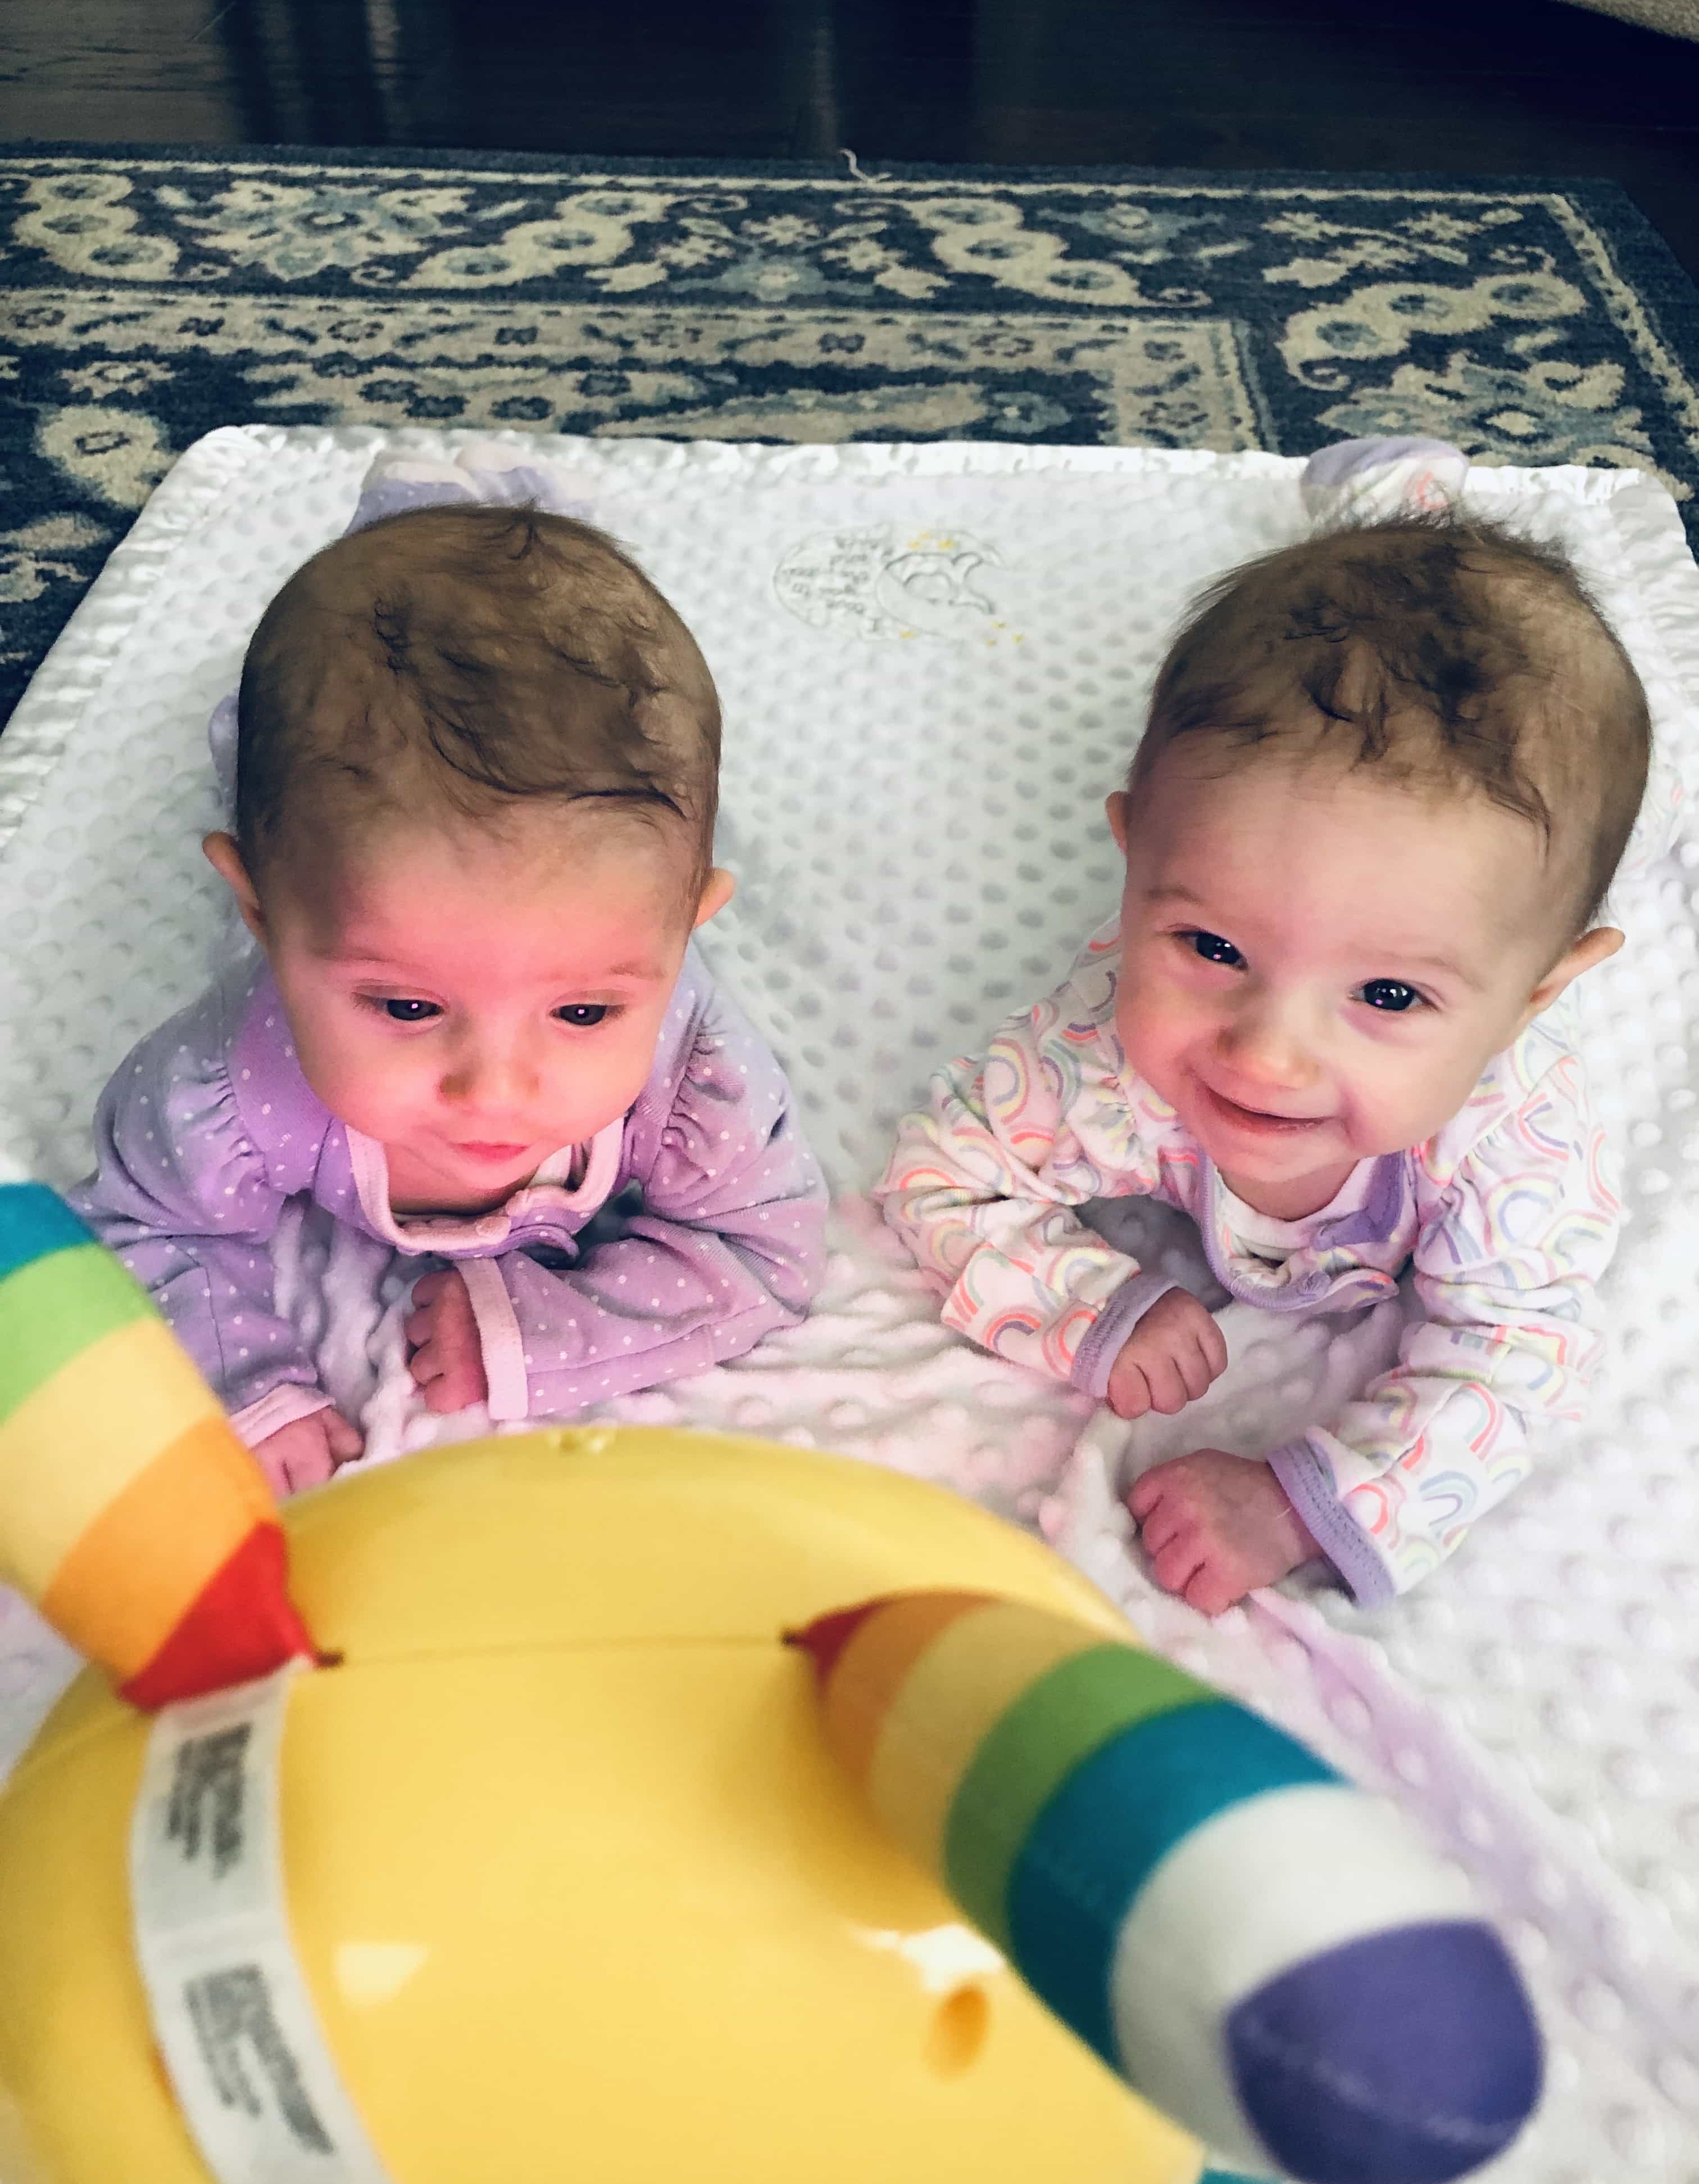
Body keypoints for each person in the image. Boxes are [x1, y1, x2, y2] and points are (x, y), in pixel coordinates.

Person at [876, 512, 1647, 1612]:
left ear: (1534, 999)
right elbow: (936, 1174)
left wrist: (1302, 1502)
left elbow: (1513, 1357)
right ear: (1135, 859)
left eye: (1387, 995)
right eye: (1211, 946)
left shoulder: (1511, 1147)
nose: (1267, 1055)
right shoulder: (1098, 1059)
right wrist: (1087, 1299)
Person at [73, 486, 828, 1496]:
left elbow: (767, 1250)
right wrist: (243, 1381)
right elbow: (149, 1224)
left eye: (583, 1012)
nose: (494, 1088)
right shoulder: (228, 1084)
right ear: (259, 916)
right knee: (279, 761)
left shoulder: (693, 1080)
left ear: (689, 929)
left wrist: (548, 1334)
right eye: (409, 1008)